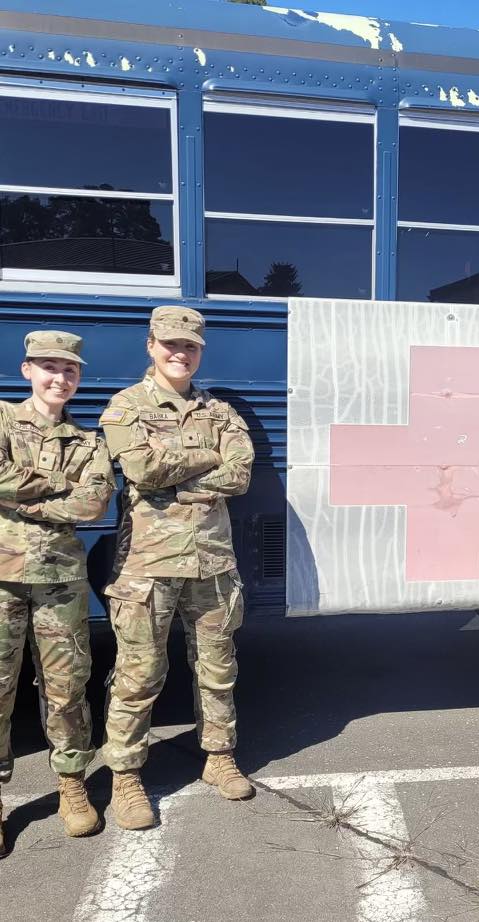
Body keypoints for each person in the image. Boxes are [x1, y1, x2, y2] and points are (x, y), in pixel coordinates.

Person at [99, 306, 255, 831]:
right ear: (150, 345)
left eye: (189, 346)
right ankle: (125, 775)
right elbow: (142, 469)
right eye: (169, 344)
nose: (179, 353)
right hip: (147, 565)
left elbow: (240, 475)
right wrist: (208, 458)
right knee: (139, 674)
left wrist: (178, 480)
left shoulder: (221, 412)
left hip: (212, 563)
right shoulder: (125, 407)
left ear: (199, 351)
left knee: (217, 670)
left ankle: (218, 756)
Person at [0, 331, 114, 855]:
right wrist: (56, 486)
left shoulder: (90, 443)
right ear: (27, 369)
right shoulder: (1, 419)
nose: (58, 378)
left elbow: (92, 506)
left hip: (60, 582)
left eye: (69, 370)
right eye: (48, 367)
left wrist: (27, 497)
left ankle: (71, 785)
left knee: (66, 688)